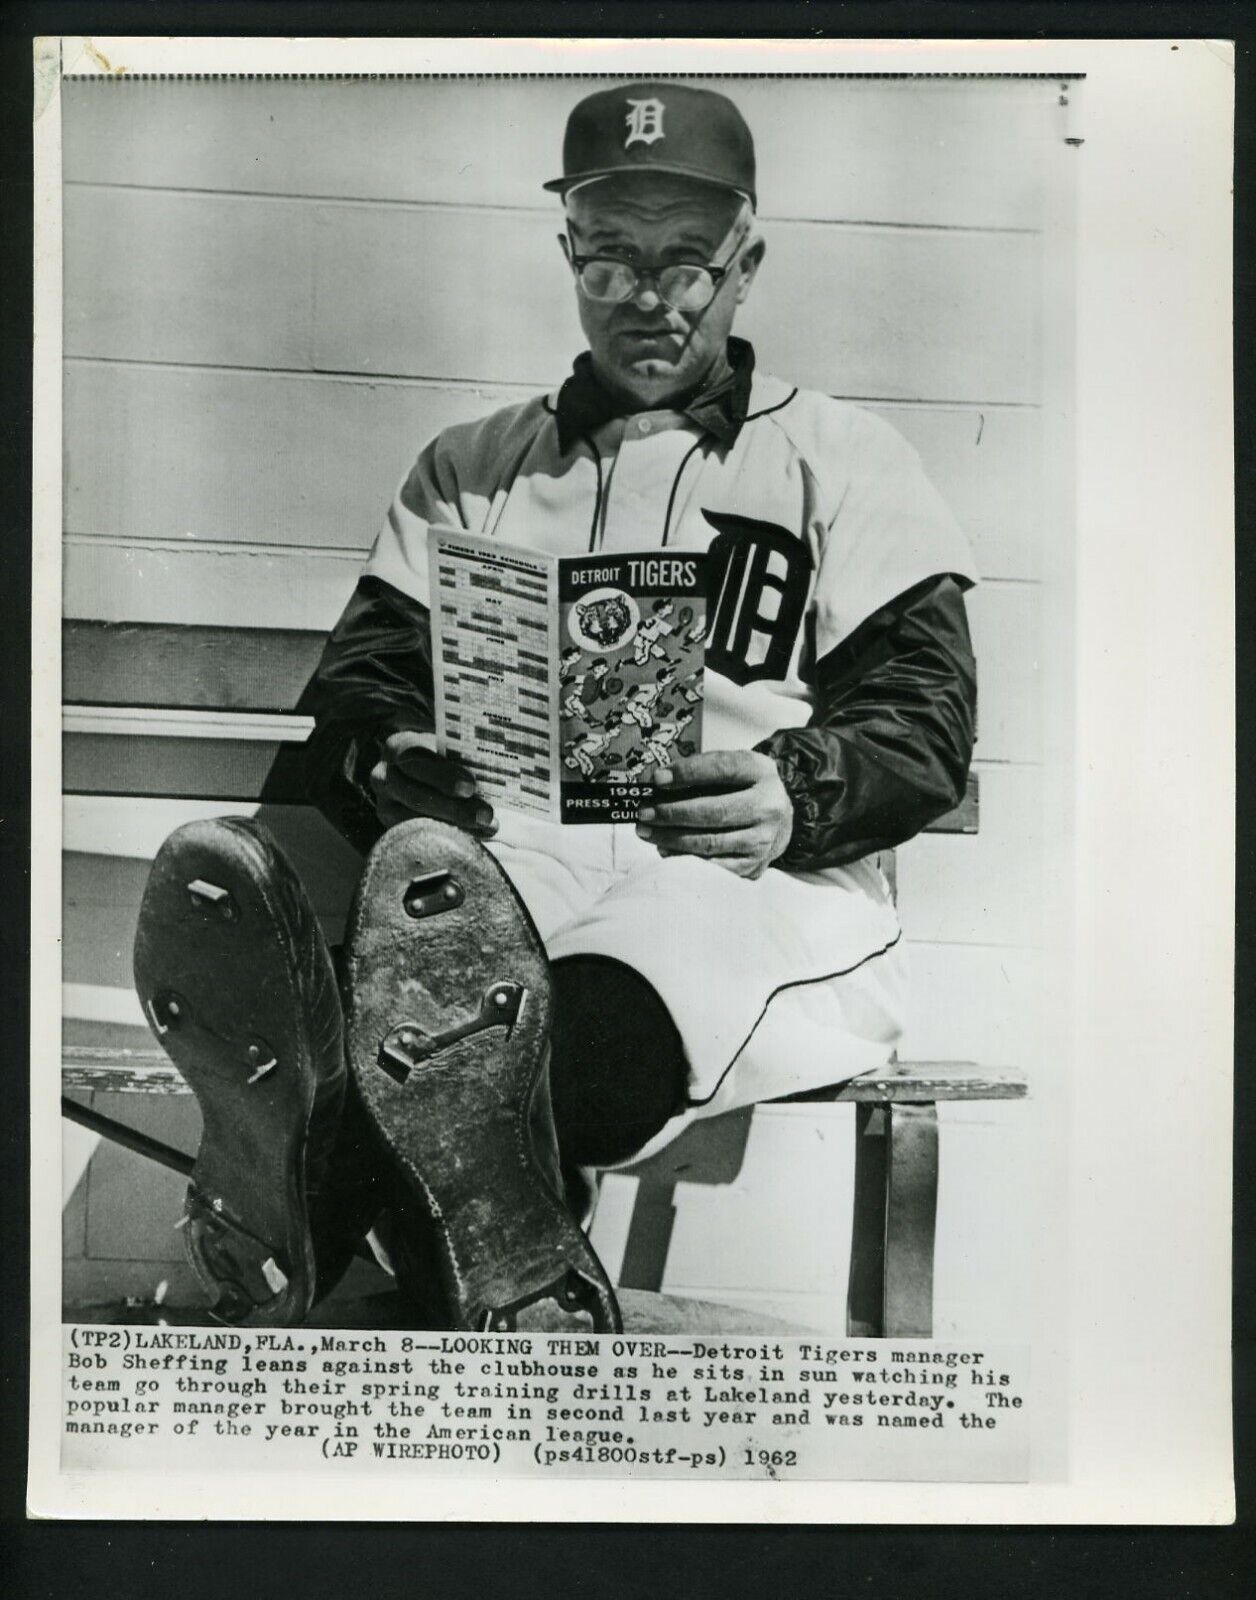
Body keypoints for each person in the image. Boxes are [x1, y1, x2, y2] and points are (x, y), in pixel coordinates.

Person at [133, 81, 977, 1335]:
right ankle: (468, 1234)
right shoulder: (473, 461)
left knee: (601, 1001)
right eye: (614, 256)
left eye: (686, 258)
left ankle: (307, 1176)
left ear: (745, 263)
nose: (650, 292)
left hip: (744, 879)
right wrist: (389, 761)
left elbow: (924, 720)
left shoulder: (843, 459)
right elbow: (364, 686)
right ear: (568, 256)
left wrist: (793, 791)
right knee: (441, 980)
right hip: (502, 862)